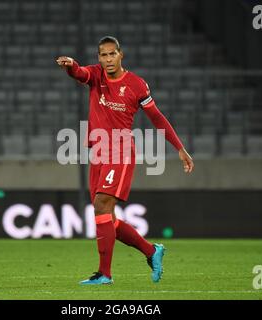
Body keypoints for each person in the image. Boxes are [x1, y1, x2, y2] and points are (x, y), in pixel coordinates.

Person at [56, 36, 194, 285]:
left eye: (112, 54)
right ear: (99, 58)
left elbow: (157, 118)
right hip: (97, 152)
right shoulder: (96, 75)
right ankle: (152, 252)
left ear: (121, 55)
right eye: (103, 55)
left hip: (119, 152)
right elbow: (79, 73)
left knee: (101, 206)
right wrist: (70, 65)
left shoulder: (137, 85)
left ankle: (105, 274)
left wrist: (180, 148)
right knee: (105, 217)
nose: (107, 59)